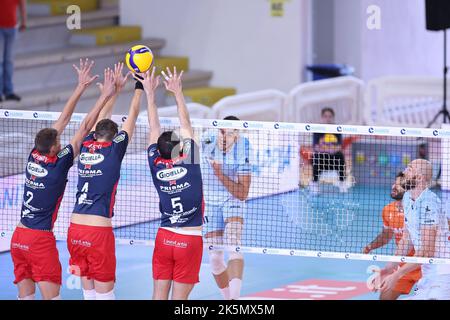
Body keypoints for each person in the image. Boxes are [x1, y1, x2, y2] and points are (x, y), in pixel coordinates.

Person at [10, 59, 114, 300]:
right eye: (58, 142)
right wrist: (105, 96)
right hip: (39, 240)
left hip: (18, 238)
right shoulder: (59, 164)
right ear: (55, 149)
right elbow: (85, 127)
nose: (61, 141)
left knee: (24, 297)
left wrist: (80, 87)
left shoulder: (34, 155)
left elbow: (63, 120)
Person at [68, 62, 140, 300]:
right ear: (114, 137)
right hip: (98, 232)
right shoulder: (114, 151)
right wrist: (139, 85)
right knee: (105, 293)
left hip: (75, 230)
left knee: (87, 291)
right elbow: (133, 117)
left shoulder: (87, 144)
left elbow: (102, 118)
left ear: (96, 135)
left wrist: (113, 91)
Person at [137, 66, 204, 300]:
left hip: (164, 237)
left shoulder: (155, 164)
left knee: (158, 296)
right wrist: (177, 92)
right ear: (180, 147)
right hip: (189, 239)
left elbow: (153, 128)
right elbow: (185, 123)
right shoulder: (191, 162)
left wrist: (150, 93)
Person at [375, 159, 450, 300]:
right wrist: (388, 269)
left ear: (420, 178)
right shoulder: (408, 198)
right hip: (428, 274)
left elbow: (426, 252)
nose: (404, 172)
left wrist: (397, 274)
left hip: (444, 273)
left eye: (409, 169)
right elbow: (406, 239)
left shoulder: (429, 203)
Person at [201, 115, 252, 300]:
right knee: (214, 259)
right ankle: (227, 297)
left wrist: (219, 173)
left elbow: (243, 193)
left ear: (236, 135)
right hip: (210, 203)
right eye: (221, 131)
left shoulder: (244, 149)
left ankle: (234, 300)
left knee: (233, 245)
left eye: (229, 133)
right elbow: (185, 140)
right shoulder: (206, 139)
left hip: (232, 200)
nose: (224, 136)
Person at [363, 172, 421, 300]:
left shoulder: (422, 210)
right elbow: (387, 235)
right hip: (403, 263)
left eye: (400, 185)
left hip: (423, 265)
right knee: (384, 297)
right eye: (395, 183)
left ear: (410, 189)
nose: (394, 186)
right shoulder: (388, 210)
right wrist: (371, 246)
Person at [309, 107, 348, 194]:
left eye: (330, 116)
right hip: (322, 159)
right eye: (325, 116)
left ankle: (342, 182)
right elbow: (315, 147)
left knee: (340, 155)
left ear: (333, 117)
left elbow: (339, 146)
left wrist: (328, 149)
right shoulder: (318, 129)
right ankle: (314, 183)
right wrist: (328, 149)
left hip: (334, 158)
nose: (328, 118)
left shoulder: (337, 129)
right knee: (316, 156)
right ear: (322, 117)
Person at [0, 0, 27, 102]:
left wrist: (24, 21)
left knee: (9, 60)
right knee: (0, 61)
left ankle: (8, 91)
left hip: (12, 27)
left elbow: (22, 4)